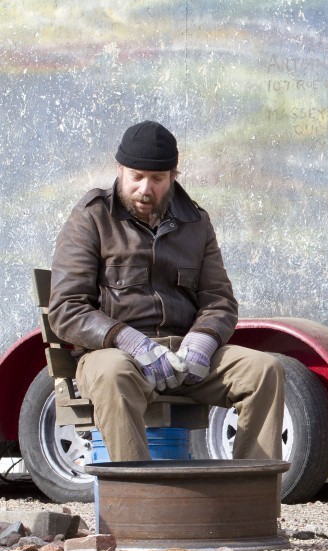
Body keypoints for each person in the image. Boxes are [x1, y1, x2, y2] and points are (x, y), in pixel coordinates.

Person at [48, 120, 284, 462]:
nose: (146, 189)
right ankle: (139, 503)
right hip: (113, 355)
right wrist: (129, 340)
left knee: (265, 370)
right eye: (137, 177)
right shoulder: (92, 218)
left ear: (173, 176)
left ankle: (253, 501)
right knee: (114, 374)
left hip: (185, 360)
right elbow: (67, 309)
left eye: (157, 179)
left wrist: (202, 341)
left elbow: (219, 300)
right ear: (120, 171)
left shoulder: (196, 223)